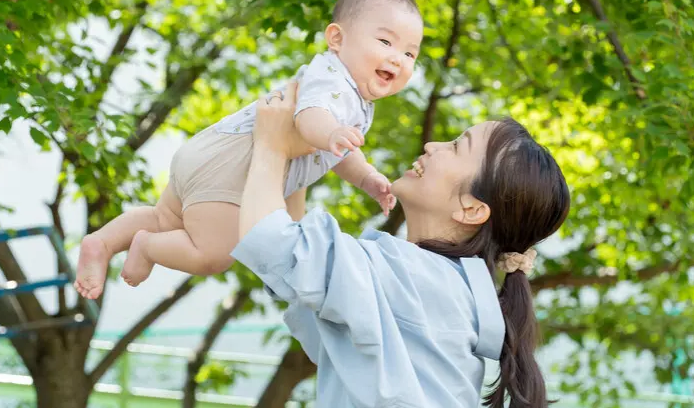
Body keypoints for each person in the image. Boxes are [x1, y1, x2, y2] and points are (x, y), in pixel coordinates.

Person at [73, 0, 424, 300]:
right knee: (213, 255)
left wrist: (365, 176)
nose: (398, 58)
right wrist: (331, 132)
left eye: (410, 53)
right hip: (234, 169)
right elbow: (310, 118)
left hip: (215, 151)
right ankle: (147, 247)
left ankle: (101, 242)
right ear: (337, 39)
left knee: (166, 218)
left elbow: (337, 152)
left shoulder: (354, 99)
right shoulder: (333, 80)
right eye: (385, 41)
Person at [232, 80, 570, 408]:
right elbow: (304, 286)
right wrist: (301, 160)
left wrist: (272, 144)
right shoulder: (446, 290)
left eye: (456, 146)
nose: (432, 146)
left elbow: (271, 242)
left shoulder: (417, 280)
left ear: (472, 209)